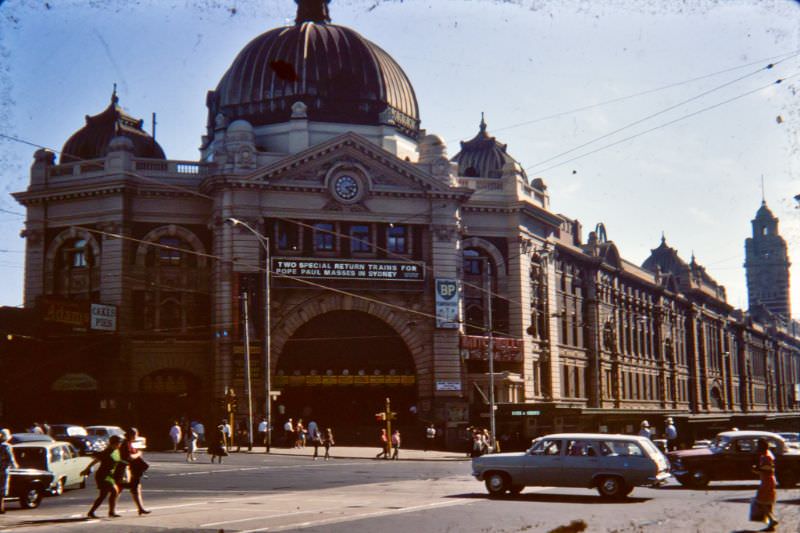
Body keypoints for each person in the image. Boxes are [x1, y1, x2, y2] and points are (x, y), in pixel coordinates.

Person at [82, 435, 124, 518]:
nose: (120, 444)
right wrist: (86, 469)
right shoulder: (107, 451)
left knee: (104, 495)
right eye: (119, 443)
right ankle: (110, 512)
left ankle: (95, 512)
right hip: (102, 475)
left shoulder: (116, 451)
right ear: (114, 443)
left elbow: (117, 463)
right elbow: (96, 460)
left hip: (109, 475)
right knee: (113, 492)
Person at [120, 427, 150, 515]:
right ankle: (140, 508)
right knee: (120, 489)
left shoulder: (129, 443)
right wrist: (138, 453)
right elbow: (130, 457)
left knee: (135, 488)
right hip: (129, 470)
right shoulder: (126, 444)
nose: (136, 436)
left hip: (132, 470)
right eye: (135, 434)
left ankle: (140, 508)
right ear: (132, 435)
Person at [753, 438, 779, 531]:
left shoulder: (766, 456)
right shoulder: (767, 455)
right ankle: (771, 524)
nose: (757, 448)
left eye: (758, 446)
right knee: (768, 503)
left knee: (762, 501)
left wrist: (757, 469)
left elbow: (769, 469)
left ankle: (772, 520)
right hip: (768, 480)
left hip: (767, 481)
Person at [0, 428, 18, 514]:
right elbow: (11, 458)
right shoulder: (6, 446)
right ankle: (1, 507)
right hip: (3, 469)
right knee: (2, 489)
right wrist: (15, 466)